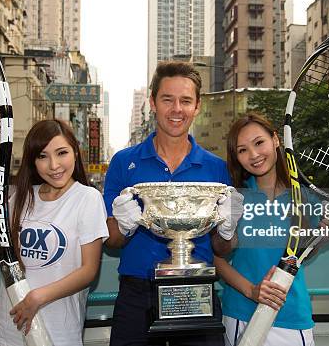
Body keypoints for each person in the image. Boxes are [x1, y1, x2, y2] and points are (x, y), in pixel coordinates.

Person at [103, 61, 244, 346]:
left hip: (197, 290)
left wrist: (228, 232)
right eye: (167, 99)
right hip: (136, 293)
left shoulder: (216, 169)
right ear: (153, 102)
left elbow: (222, 248)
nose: (176, 109)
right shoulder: (123, 162)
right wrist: (124, 225)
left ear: (197, 106)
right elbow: (112, 241)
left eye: (185, 101)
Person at [0, 119, 109, 346]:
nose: (54, 165)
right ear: (33, 161)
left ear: (75, 152)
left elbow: (88, 270)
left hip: (57, 332)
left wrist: (37, 297)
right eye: (42, 156)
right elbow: (11, 255)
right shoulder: (20, 197)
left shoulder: (88, 198)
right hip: (7, 329)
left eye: (61, 152)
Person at [216, 113, 329, 346]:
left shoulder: (305, 198)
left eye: (259, 142)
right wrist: (252, 291)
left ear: (275, 140)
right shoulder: (233, 198)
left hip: (292, 314)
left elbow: (300, 254)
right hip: (240, 313)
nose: (253, 155)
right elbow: (217, 258)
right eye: (242, 150)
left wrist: (323, 238)